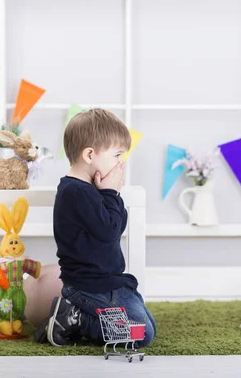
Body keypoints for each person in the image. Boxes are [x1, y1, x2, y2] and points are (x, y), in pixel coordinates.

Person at [35, 108, 156, 348]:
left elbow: (117, 224)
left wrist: (111, 193)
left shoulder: (88, 190)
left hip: (106, 282)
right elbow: (110, 231)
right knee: (141, 334)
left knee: (147, 325)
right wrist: (110, 192)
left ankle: (74, 314)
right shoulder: (76, 192)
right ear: (90, 155)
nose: (121, 164)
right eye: (117, 155)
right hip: (89, 285)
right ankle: (74, 319)